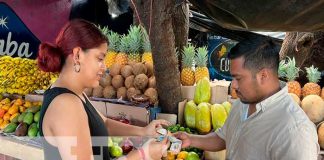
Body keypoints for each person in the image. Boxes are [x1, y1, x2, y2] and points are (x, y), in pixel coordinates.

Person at [37, 19, 169, 160]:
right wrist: (143, 155)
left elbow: (103, 124)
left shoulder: (74, 94)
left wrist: (143, 131)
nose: (104, 67)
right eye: (100, 59)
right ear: (77, 55)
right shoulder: (66, 104)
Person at [175, 38, 319, 159]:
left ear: (263, 75)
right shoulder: (243, 102)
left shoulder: (295, 131)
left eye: (238, 78)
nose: (234, 85)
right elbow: (224, 137)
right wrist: (191, 139)